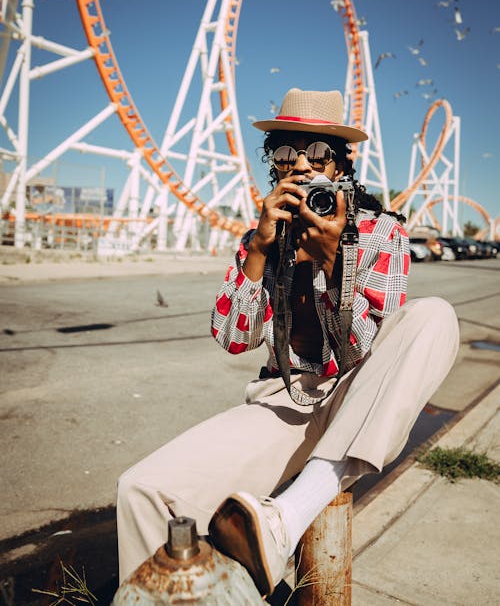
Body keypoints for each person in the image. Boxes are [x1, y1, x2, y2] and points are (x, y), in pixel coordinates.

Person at [116, 88, 459, 596]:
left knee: (434, 315)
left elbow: (356, 346)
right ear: (272, 166)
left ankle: (289, 514)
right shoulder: (262, 236)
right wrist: (258, 248)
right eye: (285, 153)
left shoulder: (381, 232)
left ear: (341, 166)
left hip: (360, 391)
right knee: (142, 490)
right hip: (284, 398)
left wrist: (329, 263)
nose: (300, 164)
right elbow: (234, 338)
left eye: (317, 153)